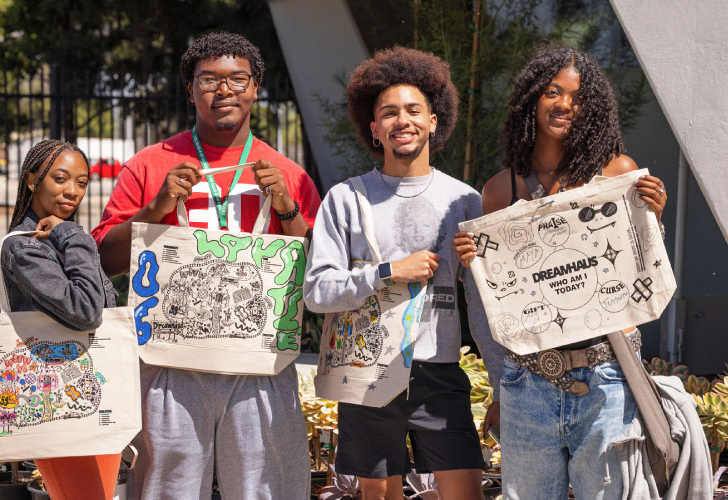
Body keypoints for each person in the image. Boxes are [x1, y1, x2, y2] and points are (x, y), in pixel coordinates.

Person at [90, 32, 321, 499]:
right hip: (170, 359)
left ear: (256, 88)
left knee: (266, 486)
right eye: (209, 79)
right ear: (190, 88)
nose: (224, 90)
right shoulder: (150, 165)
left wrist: (286, 208)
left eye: (238, 79)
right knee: (165, 487)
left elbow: (316, 271)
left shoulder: (288, 174)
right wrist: (155, 208)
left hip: (261, 358)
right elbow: (103, 259)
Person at [454, 46, 667, 500]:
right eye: (553, 91)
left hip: (606, 375)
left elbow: (639, 268)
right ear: (532, 99)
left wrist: (653, 217)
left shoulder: (617, 172)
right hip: (527, 381)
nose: (565, 104)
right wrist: (473, 260)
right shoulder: (499, 189)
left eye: (578, 96)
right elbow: (499, 298)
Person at [303, 47, 504, 500]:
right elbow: (317, 292)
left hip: (440, 374)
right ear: (374, 128)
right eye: (389, 113)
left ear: (435, 120)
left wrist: (501, 385)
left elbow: (484, 307)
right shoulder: (346, 199)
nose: (403, 120)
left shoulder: (466, 202)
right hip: (367, 372)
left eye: (414, 110)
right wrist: (390, 271)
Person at [0, 139, 120, 500]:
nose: (72, 191)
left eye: (81, 183)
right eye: (61, 178)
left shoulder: (56, 240)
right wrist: (73, 235)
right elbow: (85, 310)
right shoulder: (26, 247)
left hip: (86, 391)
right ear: (33, 180)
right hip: (61, 399)